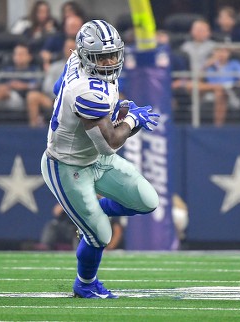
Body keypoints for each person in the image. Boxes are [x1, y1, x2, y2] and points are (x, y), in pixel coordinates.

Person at [41, 20, 160, 299]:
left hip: (94, 159)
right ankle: (85, 283)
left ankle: (93, 213)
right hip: (68, 166)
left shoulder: (75, 62)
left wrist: (108, 111)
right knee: (101, 236)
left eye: (112, 54)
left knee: (147, 201)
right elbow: (110, 144)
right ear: (85, 56)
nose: (108, 61)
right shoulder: (86, 92)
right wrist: (132, 120)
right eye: (99, 57)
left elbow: (59, 86)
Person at [0, 42, 41, 124]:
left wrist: (22, 86)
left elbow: (38, 84)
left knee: (2, 93)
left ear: (29, 57)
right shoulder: (7, 70)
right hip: (4, 97)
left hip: (23, 99)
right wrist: (8, 86)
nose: (18, 57)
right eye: (16, 54)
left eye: (21, 54)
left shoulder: (34, 70)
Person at [26, 37, 76, 127]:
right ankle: (33, 130)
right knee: (32, 96)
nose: (70, 51)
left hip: (75, 101)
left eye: (72, 48)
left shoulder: (84, 68)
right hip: (54, 100)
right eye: (67, 48)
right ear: (63, 49)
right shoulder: (54, 66)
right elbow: (47, 86)